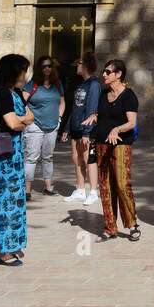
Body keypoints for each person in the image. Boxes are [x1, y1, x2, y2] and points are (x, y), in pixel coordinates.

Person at [0, 55, 32, 266]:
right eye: (23, 69)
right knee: (4, 201)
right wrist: (22, 122)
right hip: (0, 153)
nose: (25, 74)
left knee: (9, 199)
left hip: (13, 154)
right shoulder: (1, 93)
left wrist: (21, 121)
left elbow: (30, 117)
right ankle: (5, 251)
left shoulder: (17, 93)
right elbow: (13, 123)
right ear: (14, 70)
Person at [94, 58, 141, 242]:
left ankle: (132, 224)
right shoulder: (103, 94)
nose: (104, 75)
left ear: (118, 74)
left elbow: (131, 123)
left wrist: (116, 129)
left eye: (107, 72)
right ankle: (110, 228)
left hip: (121, 144)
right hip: (101, 144)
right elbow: (101, 116)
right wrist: (93, 117)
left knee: (122, 183)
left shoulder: (129, 96)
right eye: (104, 72)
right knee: (105, 186)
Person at [61, 51, 101, 205]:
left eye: (79, 63)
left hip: (86, 129)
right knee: (76, 158)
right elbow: (75, 108)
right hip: (75, 127)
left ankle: (92, 191)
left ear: (85, 65)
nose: (77, 66)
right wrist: (66, 129)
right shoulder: (81, 85)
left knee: (87, 158)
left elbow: (91, 109)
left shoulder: (94, 84)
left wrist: (87, 131)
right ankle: (79, 189)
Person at [23, 56, 65, 199]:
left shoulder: (57, 84)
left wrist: (59, 118)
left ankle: (48, 187)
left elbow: (62, 102)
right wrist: (29, 118)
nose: (47, 68)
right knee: (31, 157)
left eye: (49, 66)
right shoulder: (32, 84)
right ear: (39, 69)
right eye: (44, 66)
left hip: (52, 126)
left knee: (48, 157)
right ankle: (27, 190)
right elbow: (21, 103)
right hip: (35, 126)